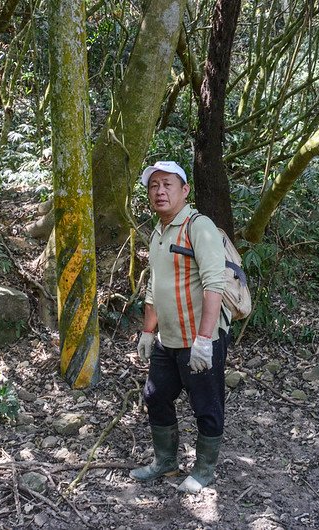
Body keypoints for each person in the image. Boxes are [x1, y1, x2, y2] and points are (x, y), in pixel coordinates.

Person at [131, 160, 231, 494]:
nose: (159, 191)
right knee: (155, 397)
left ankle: (204, 470)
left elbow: (214, 284)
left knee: (206, 404)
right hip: (167, 339)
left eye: (167, 184)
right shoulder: (159, 231)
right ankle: (166, 461)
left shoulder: (197, 226)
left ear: (184, 190)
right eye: (153, 185)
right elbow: (154, 286)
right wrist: (148, 330)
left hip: (198, 339)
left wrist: (204, 340)